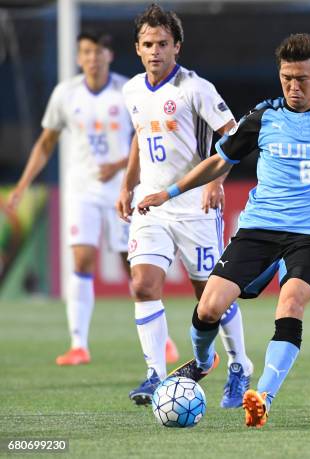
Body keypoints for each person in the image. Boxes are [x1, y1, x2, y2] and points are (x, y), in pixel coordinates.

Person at [137, 33, 310, 427]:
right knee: (208, 306)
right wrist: (167, 192)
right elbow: (219, 161)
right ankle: (205, 362)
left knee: (290, 305)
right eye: (286, 78)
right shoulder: (264, 117)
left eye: (301, 79)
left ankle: (262, 397)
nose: (293, 86)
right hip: (258, 228)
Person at [4, 31, 182, 367]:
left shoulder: (127, 90)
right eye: (86, 52)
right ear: (78, 57)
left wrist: (118, 166)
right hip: (81, 190)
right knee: (82, 260)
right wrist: (23, 184)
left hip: (123, 189)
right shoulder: (66, 94)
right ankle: (78, 344)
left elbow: (147, 134)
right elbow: (46, 143)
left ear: (109, 56)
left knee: (133, 267)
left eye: (98, 52)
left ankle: (166, 340)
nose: (92, 58)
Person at [116, 4, 252, 407]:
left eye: (162, 43)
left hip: (195, 205)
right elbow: (140, 137)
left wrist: (218, 180)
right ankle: (156, 374)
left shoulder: (196, 88)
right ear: (137, 48)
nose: (155, 51)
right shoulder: (132, 90)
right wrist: (127, 186)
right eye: (147, 44)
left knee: (209, 297)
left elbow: (234, 134)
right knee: (142, 284)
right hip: (150, 204)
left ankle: (239, 364)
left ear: (177, 46)